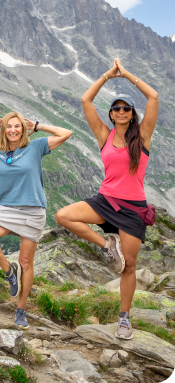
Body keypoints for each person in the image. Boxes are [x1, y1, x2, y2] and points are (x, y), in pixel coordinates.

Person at [56, 58, 158, 340]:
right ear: (111, 114)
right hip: (105, 201)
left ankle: (124, 318)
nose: (122, 111)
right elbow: (86, 100)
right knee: (63, 215)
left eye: (126, 108)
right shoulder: (104, 134)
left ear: (132, 113)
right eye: (117, 108)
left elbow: (154, 97)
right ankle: (106, 244)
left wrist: (127, 75)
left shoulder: (143, 137)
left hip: (133, 209)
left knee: (129, 266)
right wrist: (107, 76)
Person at [0, 113, 72, 329]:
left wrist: (39, 125)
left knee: (26, 262)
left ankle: (21, 309)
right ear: (3, 130)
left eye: (17, 126)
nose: (13, 130)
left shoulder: (36, 146)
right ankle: (8, 271)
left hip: (33, 210)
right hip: (6, 209)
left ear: (23, 129)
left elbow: (66, 133)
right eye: (8, 127)